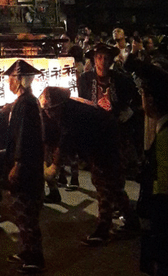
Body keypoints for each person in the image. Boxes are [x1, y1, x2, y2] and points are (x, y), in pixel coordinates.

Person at [40, 86, 139, 245]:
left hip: (107, 146)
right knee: (113, 186)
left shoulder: (71, 114)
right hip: (105, 143)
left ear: (59, 106)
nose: (48, 114)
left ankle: (103, 230)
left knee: (104, 185)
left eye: (50, 110)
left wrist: (54, 167)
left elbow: (65, 142)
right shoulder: (71, 106)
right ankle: (132, 222)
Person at [1, 59, 45, 274]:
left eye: (10, 78)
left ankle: (35, 258)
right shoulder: (25, 102)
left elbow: (24, 137)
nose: (8, 82)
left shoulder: (26, 104)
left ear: (19, 81)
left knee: (27, 213)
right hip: (30, 167)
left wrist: (17, 164)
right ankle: (26, 251)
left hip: (27, 169)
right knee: (23, 213)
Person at [80, 40, 142, 178]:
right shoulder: (85, 79)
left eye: (106, 58)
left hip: (116, 129)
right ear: (94, 60)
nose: (103, 61)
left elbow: (137, 99)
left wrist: (130, 110)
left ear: (111, 61)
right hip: (94, 129)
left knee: (116, 171)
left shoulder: (121, 79)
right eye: (99, 57)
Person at [136, 64, 168, 276]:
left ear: (151, 100)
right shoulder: (160, 127)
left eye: (143, 94)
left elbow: (164, 188)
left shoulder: (165, 136)